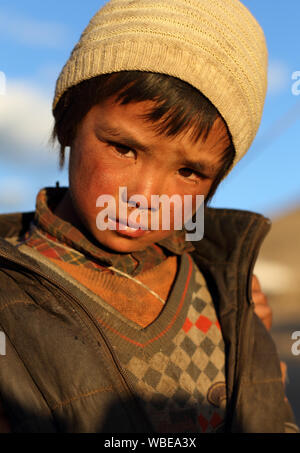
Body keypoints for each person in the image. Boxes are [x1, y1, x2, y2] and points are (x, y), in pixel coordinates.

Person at [0, 0, 298, 433]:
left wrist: (257, 363)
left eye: (189, 172)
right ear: (69, 123)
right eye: (124, 148)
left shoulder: (227, 293)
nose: (145, 197)